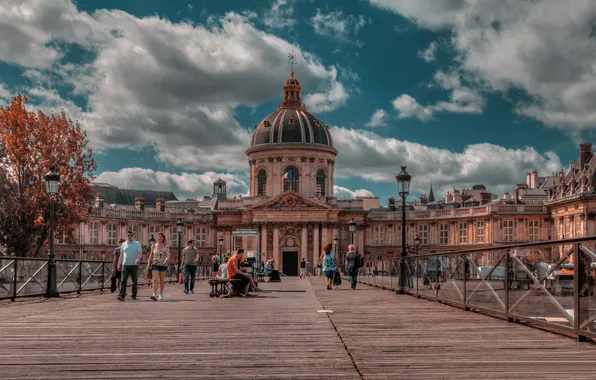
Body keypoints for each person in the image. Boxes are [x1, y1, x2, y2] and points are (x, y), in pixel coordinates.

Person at [117, 231, 143, 301]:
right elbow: (121, 255)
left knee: (134, 281)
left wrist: (138, 259)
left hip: (134, 264)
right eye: (128, 235)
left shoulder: (137, 243)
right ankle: (121, 295)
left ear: (133, 236)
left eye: (131, 235)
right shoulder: (123, 244)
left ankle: (134, 295)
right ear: (126, 236)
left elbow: (140, 253)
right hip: (125, 264)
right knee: (123, 280)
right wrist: (119, 264)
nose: (129, 236)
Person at [147, 232, 169, 301]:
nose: (159, 238)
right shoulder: (153, 246)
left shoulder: (166, 246)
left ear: (163, 238)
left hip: (163, 265)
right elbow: (150, 257)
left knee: (161, 280)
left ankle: (161, 294)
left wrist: (165, 260)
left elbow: (168, 255)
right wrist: (148, 265)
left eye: (161, 237)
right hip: (155, 264)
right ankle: (154, 294)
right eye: (158, 237)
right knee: (155, 279)